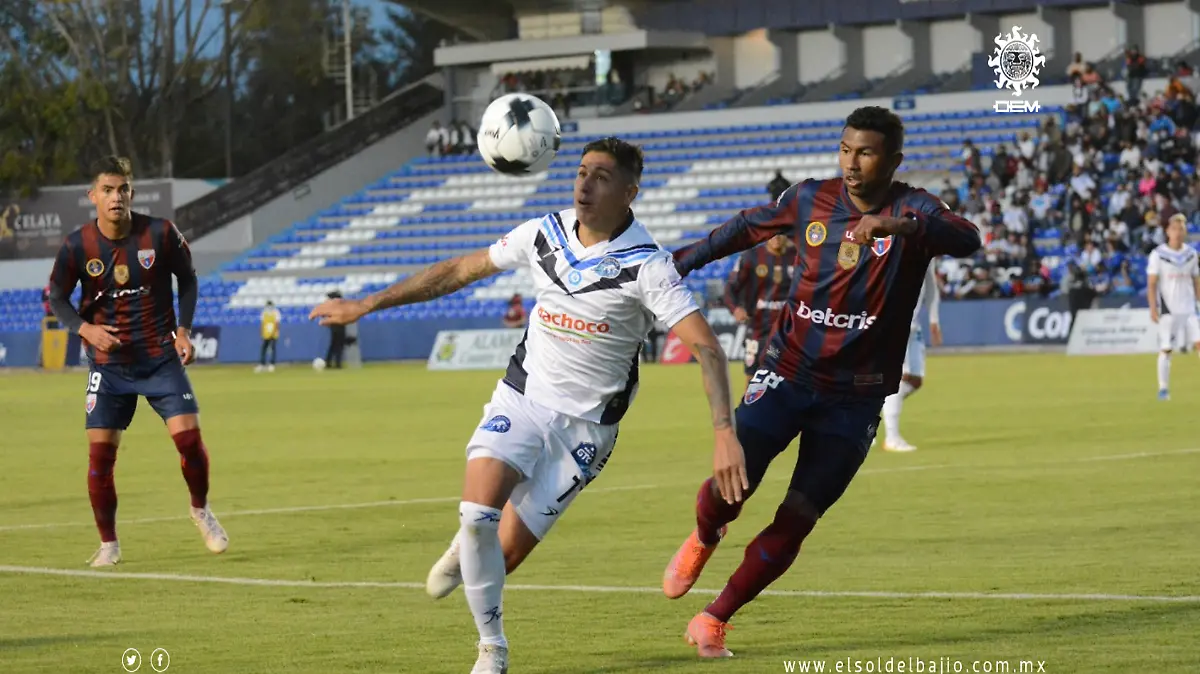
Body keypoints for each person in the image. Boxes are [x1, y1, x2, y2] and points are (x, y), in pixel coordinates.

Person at [310, 137, 741, 674]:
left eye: (602, 177)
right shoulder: (544, 234)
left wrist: (724, 432)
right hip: (522, 399)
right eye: (581, 172)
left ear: (630, 192)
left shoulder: (646, 266)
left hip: (585, 430)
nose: (585, 184)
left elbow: (707, 347)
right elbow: (460, 270)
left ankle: (470, 549)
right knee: (478, 515)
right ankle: (492, 648)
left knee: (503, 555)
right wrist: (368, 303)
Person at [659, 106, 981, 658]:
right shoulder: (810, 198)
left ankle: (714, 617)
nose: (852, 163)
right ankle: (706, 534)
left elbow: (968, 238)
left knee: (799, 516)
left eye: (866, 153)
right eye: (845, 150)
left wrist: (901, 227)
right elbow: (746, 227)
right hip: (787, 372)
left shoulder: (916, 208)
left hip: (855, 398)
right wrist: (679, 262)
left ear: (893, 160)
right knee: (731, 487)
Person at [46, 156, 228, 568]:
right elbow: (56, 296)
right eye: (107, 190)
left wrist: (184, 330)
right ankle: (109, 544)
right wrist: (85, 329)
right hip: (109, 365)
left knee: (190, 441)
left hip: (160, 358)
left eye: (122, 189)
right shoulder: (77, 245)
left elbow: (189, 278)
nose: (116, 197)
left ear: (132, 193)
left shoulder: (160, 233)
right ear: (93, 196)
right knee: (100, 458)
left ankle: (200, 510)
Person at [878, 261, 942, 452]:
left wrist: (934, 320)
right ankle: (892, 438)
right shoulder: (890, 251)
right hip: (894, 322)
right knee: (901, 377)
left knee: (915, 379)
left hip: (913, 325)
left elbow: (931, 285)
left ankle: (867, 411)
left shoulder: (927, 252)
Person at [723, 233, 795, 390]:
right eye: (773, 234)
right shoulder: (751, 257)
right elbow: (730, 288)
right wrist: (735, 309)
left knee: (790, 376)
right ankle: (750, 404)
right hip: (758, 328)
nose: (776, 237)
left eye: (781, 233)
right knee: (753, 376)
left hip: (788, 328)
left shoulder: (797, 256)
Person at [1147, 213, 1200, 401]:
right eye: (1175, 229)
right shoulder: (1158, 255)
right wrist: (1153, 307)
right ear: (1168, 231)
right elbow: (1152, 283)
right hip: (1169, 310)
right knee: (1166, 348)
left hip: (1190, 308)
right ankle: (1163, 389)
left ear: (1185, 232)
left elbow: (1196, 280)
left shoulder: (1191, 254)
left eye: (1181, 229)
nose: (1178, 233)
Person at [256, 300, 281, 373]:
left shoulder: (276, 312)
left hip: (273, 333)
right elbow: (262, 323)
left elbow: (277, 323)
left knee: (272, 349)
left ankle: (272, 364)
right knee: (263, 348)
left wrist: (275, 332)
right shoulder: (264, 313)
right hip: (266, 333)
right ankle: (262, 364)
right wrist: (262, 333)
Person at [324, 290, 347, 369]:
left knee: (333, 346)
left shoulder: (331, 307)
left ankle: (328, 362)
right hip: (340, 327)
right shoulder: (341, 306)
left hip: (334, 327)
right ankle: (337, 363)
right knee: (339, 346)